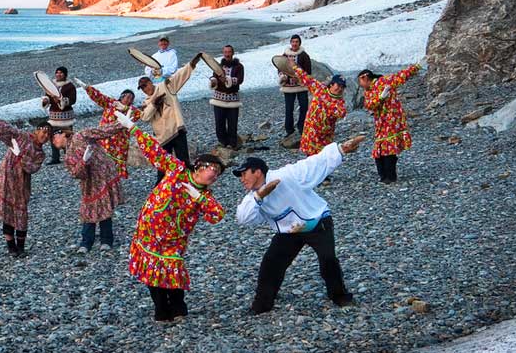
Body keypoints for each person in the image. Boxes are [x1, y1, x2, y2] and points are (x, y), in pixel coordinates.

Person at [112, 108, 225, 322]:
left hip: (174, 240)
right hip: (149, 232)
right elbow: (155, 152)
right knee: (151, 271)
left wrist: (199, 198)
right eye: (213, 170)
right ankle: (161, 309)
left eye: (218, 174)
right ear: (200, 167)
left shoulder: (205, 196)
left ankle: (178, 309)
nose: (214, 175)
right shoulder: (177, 170)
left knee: (172, 270)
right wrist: (133, 128)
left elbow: (217, 215)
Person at [234, 134, 365, 314]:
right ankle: (262, 305)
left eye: (244, 173)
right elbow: (243, 219)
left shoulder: (286, 175)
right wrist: (260, 195)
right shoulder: (253, 197)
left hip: (317, 221)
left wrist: (342, 149)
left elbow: (314, 164)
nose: (242, 179)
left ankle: (340, 296)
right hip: (289, 231)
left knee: (328, 259)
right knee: (271, 263)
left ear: (257, 171)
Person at [0, 98, 48, 256]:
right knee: (8, 213)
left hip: (21, 185)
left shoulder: (40, 153)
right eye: (43, 131)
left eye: (48, 134)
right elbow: (4, 128)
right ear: (36, 130)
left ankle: (21, 247)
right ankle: (11, 247)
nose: (45, 135)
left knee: (21, 214)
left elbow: (31, 168)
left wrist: (20, 155)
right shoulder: (21, 137)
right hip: (6, 178)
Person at [53, 124, 125, 252]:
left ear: (63, 134)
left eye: (55, 136)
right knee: (89, 210)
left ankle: (103, 241)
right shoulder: (68, 156)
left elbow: (102, 132)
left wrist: (121, 125)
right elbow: (77, 174)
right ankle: (88, 242)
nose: (53, 141)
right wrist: (84, 161)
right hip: (90, 183)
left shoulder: (81, 135)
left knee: (104, 207)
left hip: (104, 176)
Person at [138, 52, 202, 182]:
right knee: (162, 166)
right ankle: (160, 191)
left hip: (177, 130)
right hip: (162, 137)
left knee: (184, 160)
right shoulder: (146, 102)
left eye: (145, 85)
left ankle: (190, 185)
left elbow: (179, 76)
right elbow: (144, 117)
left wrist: (191, 64)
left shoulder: (165, 86)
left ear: (151, 82)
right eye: (142, 88)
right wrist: (154, 104)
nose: (144, 89)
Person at [358, 64, 421, 184]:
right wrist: (380, 98)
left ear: (365, 78)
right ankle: (384, 176)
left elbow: (401, 76)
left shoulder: (385, 81)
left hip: (392, 121)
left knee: (389, 148)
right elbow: (369, 106)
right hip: (381, 123)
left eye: (360, 81)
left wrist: (416, 67)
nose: (360, 85)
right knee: (380, 149)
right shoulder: (368, 92)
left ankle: (390, 176)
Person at [72, 78, 142, 180]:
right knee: (102, 162)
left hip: (120, 143)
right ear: (121, 97)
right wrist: (87, 87)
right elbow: (99, 97)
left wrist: (126, 109)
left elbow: (139, 114)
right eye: (128, 97)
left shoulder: (131, 111)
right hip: (105, 140)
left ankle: (115, 183)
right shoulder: (111, 104)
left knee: (117, 167)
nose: (129, 100)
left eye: (131, 98)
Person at [288, 59, 347, 157]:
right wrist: (295, 67)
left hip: (323, 140)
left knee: (322, 164)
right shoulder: (320, 89)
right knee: (310, 163)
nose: (340, 89)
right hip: (310, 135)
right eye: (338, 85)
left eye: (342, 87)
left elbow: (341, 113)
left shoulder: (339, 103)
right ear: (332, 84)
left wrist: (328, 102)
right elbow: (307, 78)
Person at [209, 44, 245, 149]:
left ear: (232, 53)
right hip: (218, 98)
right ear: (223, 53)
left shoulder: (239, 66)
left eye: (229, 52)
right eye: (225, 52)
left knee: (232, 122)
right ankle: (222, 141)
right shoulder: (218, 67)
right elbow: (214, 77)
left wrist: (228, 79)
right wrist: (213, 80)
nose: (227, 54)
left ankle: (232, 143)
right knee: (219, 122)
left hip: (233, 99)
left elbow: (240, 80)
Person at [41, 66, 76, 165]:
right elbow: (47, 97)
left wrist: (61, 100)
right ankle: (55, 158)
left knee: (67, 136)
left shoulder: (70, 86)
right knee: (53, 137)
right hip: (54, 117)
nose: (58, 74)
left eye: (61, 73)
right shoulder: (50, 86)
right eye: (57, 73)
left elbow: (73, 100)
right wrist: (45, 100)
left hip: (66, 117)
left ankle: (69, 157)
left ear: (65, 74)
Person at [279, 35, 312, 138]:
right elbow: (280, 68)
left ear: (299, 43)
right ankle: (289, 130)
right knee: (289, 109)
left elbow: (308, 72)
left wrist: (299, 78)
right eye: (293, 42)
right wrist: (284, 77)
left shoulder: (304, 55)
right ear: (290, 43)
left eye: (296, 42)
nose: (294, 44)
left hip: (301, 86)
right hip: (288, 87)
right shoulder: (285, 55)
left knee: (304, 107)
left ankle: (302, 127)